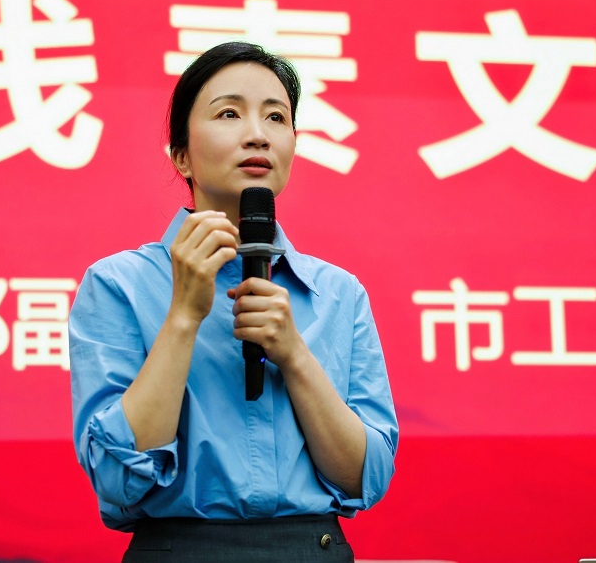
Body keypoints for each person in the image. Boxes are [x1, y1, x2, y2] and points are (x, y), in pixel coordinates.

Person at [69, 42, 397, 562]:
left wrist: (293, 354)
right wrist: (183, 317)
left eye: (276, 117)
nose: (258, 134)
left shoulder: (340, 294)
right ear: (181, 155)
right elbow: (117, 478)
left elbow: (365, 478)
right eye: (229, 113)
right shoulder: (118, 284)